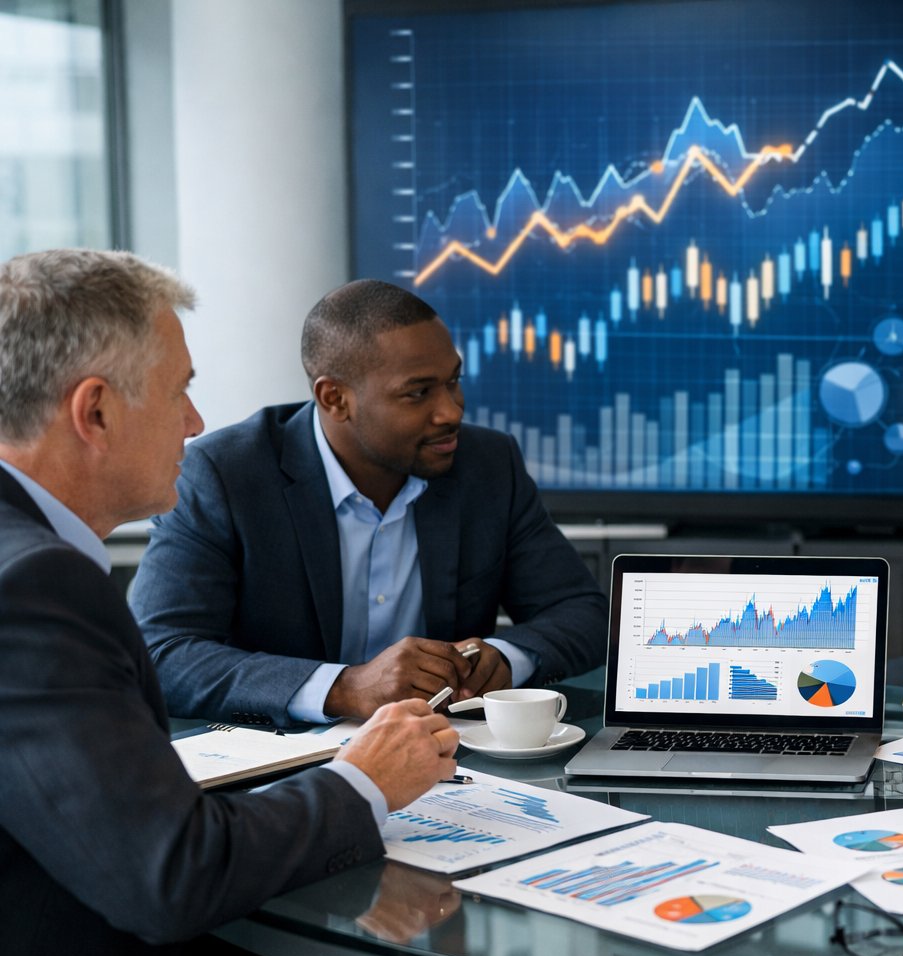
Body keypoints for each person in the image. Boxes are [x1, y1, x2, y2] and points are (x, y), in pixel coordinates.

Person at [0, 249, 459, 956]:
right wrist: (365, 779)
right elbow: (170, 873)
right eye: (180, 391)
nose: (195, 422)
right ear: (96, 412)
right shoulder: (33, 591)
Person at [130, 279, 608, 729]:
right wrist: (344, 687)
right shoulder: (225, 475)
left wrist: (504, 659)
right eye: (418, 393)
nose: (451, 410)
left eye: (453, 381)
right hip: (285, 775)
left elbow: (582, 612)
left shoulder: (487, 465)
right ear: (334, 398)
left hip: (453, 765)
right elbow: (160, 652)